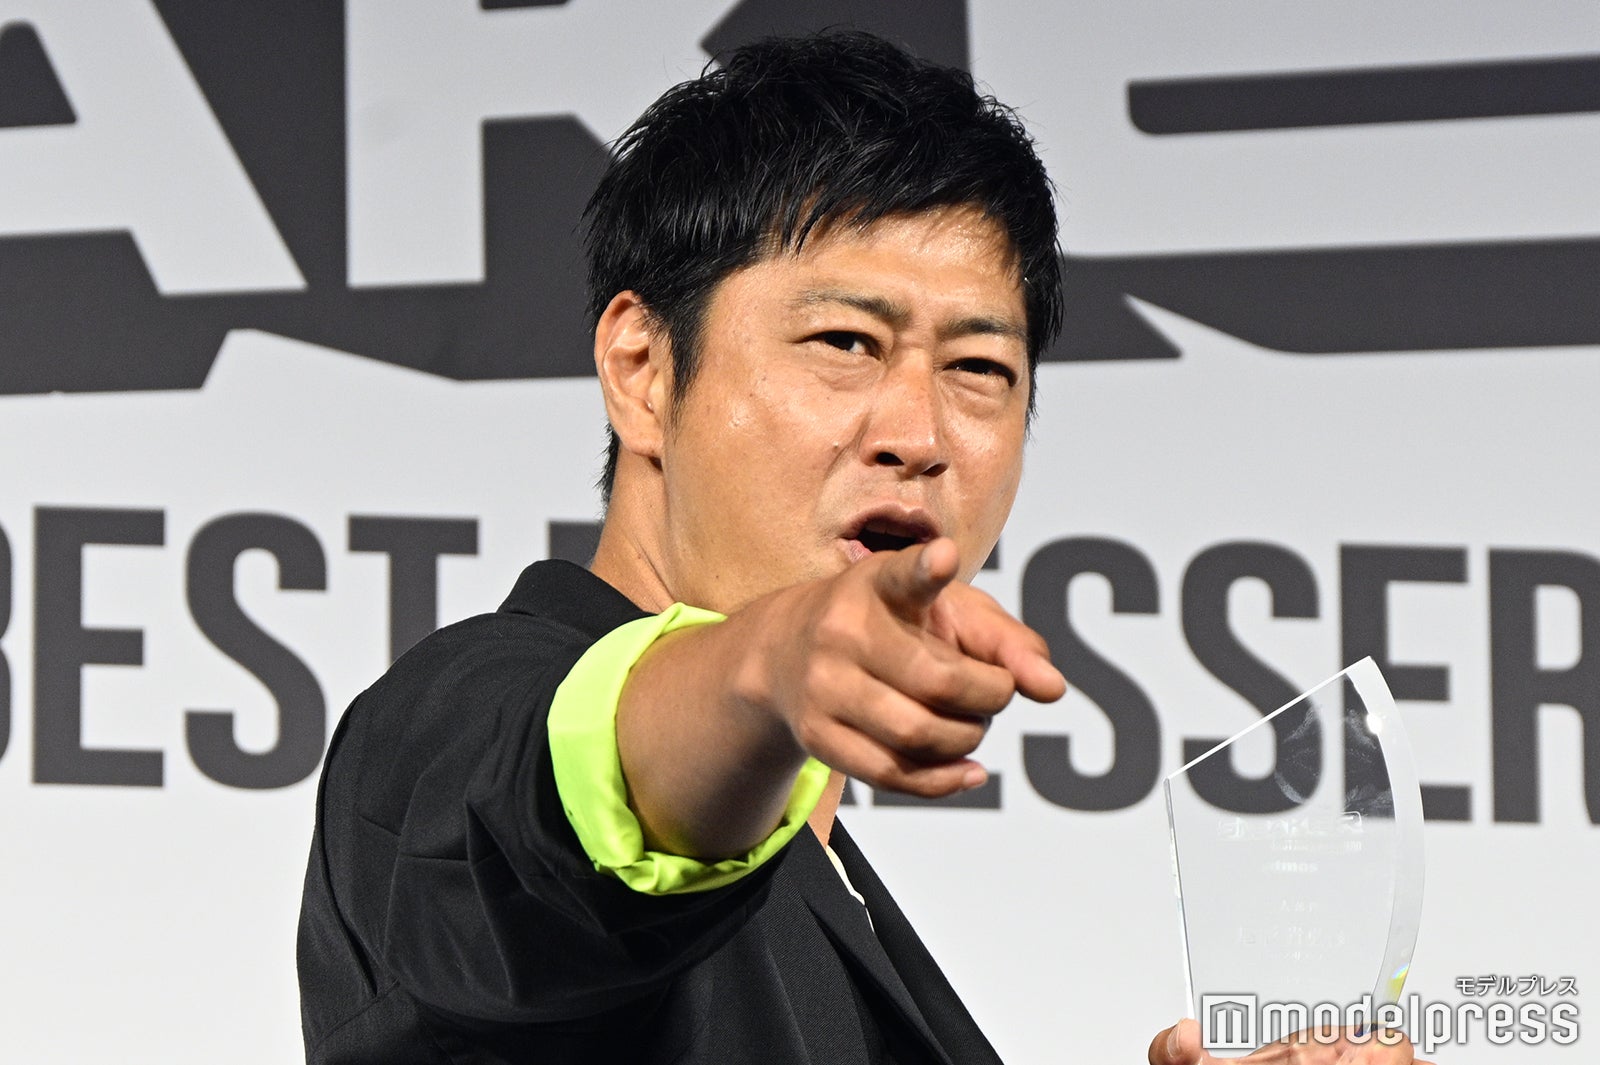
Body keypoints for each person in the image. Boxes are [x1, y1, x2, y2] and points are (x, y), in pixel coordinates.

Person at [297, 31, 1428, 1065]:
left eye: (978, 368)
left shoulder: (832, 883)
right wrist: (761, 662)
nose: (918, 436)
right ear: (641, 370)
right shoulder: (454, 717)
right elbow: (550, 819)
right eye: (844, 341)